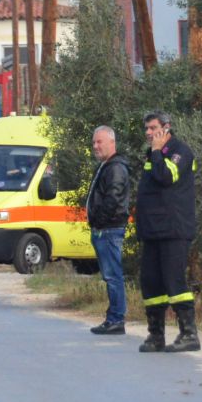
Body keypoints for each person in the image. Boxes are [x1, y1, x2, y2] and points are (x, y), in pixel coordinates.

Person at [136, 111, 200, 353]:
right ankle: (156, 335)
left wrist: (156, 152)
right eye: (147, 129)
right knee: (151, 283)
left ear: (166, 128)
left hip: (174, 229)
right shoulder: (152, 154)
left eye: (153, 128)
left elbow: (165, 177)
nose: (149, 133)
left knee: (174, 281)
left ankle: (189, 334)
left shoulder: (180, 151)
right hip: (153, 231)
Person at [86, 126, 131, 335]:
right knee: (110, 275)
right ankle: (113, 317)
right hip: (104, 228)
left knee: (113, 276)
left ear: (112, 142)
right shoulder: (106, 166)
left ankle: (116, 319)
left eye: (99, 142)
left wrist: (99, 221)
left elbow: (113, 198)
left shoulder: (115, 168)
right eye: (94, 142)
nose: (95, 146)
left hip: (109, 229)